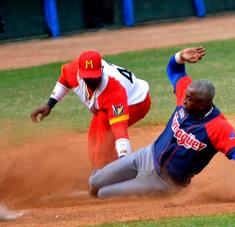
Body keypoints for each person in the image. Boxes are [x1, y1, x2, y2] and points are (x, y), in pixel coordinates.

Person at [89, 46, 235, 198]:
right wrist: (179, 56)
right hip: (145, 156)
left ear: (203, 104)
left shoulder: (218, 127)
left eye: (189, 99)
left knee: (104, 193)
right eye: (185, 97)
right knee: (95, 182)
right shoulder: (187, 93)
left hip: (163, 183)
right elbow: (174, 70)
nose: (184, 101)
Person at [31, 51, 151, 169]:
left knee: (104, 131)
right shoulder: (74, 70)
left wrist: (124, 159)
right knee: (93, 138)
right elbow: (65, 79)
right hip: (113, 102)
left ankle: (109, 169)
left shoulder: (114, 90)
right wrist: (49, 105)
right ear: (80, 71)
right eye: (87, 77)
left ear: (101, 70)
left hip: (137, 102)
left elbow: (119, 128)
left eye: (94, 76)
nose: (91, 81)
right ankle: (101, 169)